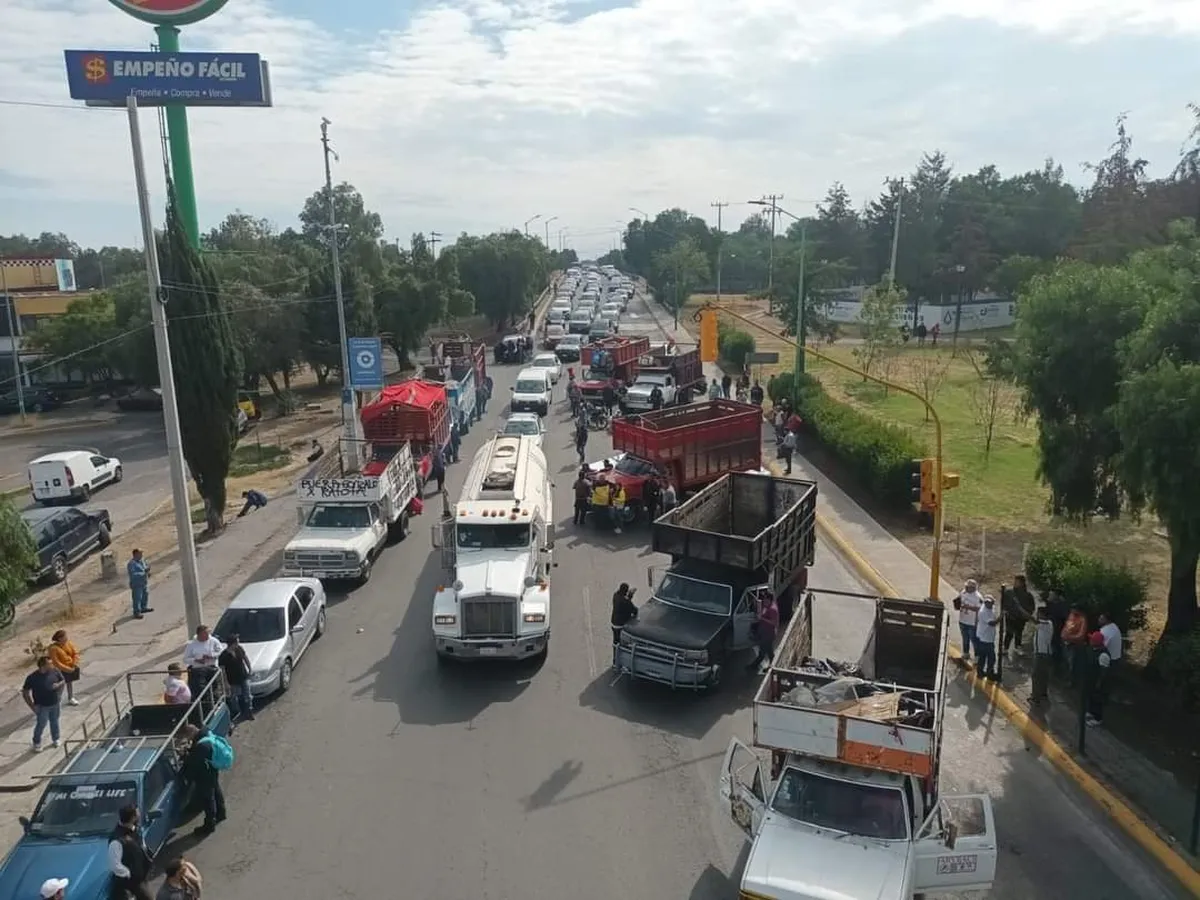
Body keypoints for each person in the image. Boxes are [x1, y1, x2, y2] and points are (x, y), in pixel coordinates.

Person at [179, 724, 227, 836]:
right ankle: (221, 813)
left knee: (208, 799)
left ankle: (210, 824)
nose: (189, 740)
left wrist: (185, 755)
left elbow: (193, 762)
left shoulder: (201, 746)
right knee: (216, 790)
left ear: (191, 733)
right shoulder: (206, 732)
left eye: (188, 737)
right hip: (212, 769)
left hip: (205, 774)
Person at [108, 805, 153, 900]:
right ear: (133, 818)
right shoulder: (117, 840)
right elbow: (115, 865)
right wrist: (129, 874)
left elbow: (141, 845)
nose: (140, 815)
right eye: (137, 814)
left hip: (141, 875)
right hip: (132, 882)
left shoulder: (135, 829)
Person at [22, 656, 64, 752]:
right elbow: (25, 692)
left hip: (54, 703)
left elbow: (62, 681)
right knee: (41, 724)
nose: (52, 665)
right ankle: (37, 742)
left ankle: (56, 738)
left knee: (55, 721)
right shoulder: (32, 678)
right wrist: (32, 706)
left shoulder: (55, 671)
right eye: (50, 663)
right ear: (43, 666)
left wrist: (59, 692)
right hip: (42, 706)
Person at [218, 635, 254, 726]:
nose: (238, 643)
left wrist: (250, 668)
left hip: (243, 676)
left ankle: (249, 711)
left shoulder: (239, 649)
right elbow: (222, 670)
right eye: (237, 642)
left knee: (248, 695)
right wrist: (226, 683)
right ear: (232, 643)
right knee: (236, 697)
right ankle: (238, 712)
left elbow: (245, 659)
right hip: (233, 680)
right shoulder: (223, 656)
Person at [182, 625, 225, 696]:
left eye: (208, 633)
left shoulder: (213, 641)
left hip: (212, 668)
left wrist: (212, 656)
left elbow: (220, 651)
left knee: (214, 688)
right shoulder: (191, 644)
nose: (208, 635)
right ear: (199, 634)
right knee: (200, 690)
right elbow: (185, 659)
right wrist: (196, 660)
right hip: (198, 670)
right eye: (205, 633)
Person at [1000, 574, 1036, 655]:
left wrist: (1026, 615)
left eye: (1017, 581)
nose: (1015, 583)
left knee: (1019, 632)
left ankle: (1017, 646)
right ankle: (1005, 647)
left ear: (1022, 583)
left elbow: (1031, 607)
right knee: (1009, 633)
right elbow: (1003, 603)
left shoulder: (1027, 595)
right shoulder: (1009, 593)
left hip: (1021, 618)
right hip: (1010, 617)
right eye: (1015, 581)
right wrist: (1006, 611)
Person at [747, 593, 780, 673]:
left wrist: (762, 618)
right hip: (764, 633)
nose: (764, 601)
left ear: (770, 600)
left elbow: (774, 623)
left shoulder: (772, 609)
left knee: (765, 652)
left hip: (768, 635)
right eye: (764, 599)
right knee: (767, 652)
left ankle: (755, 666)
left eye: (766, 600)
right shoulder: (766, 606)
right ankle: (772, 666)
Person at [1084, 631, 1112, 727]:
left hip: (1098, 682)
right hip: (1091, 679)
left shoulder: (1103, 655)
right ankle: (1091, 712)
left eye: (1092, 639)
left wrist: (1098, 683)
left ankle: (1098, 718)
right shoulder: (1093, 650)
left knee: (1098, 699)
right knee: (1091, 697)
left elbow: (1104, 672)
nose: (1090, 641)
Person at [48, 630, 81, 706]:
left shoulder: (68, 643)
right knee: (59, 686)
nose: (66, 638)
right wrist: (67, 669)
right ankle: (56, 701)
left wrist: (74, 663)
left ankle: (71, 697)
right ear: (59, 638)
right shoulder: (53, 648)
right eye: (64, 637)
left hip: (70, 666)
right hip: (60, 670)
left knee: (69, 682)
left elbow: (75, 653)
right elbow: (56, 662)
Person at [1030, 607, 1054, 706]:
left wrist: (1018, 607)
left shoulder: (1046, 624)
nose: (1037, 615)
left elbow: (1031, 619)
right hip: (1044, 652)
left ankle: (1035, 698)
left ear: (1044, 615)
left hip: (1041, 653)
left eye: (1039, 613)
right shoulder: (1048, 624)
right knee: (1044, 675)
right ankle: (1043, 693)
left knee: (1036, 675)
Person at [955, 579, 983, 663]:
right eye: (966, 586)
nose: (966, 588)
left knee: (974, 640)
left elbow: (979, 608)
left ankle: (977, 656)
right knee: (965, 638)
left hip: (972, 622)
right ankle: (966, 653)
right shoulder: (963, 592)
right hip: (963, 620)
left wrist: (968, 607)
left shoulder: (977, 597)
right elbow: (959, 599)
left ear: (973, 588)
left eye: (968, 587)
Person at [974, 595, 999, 680]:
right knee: (991, 657)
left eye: (990, 602)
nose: (989, 604)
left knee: (983, 657)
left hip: (988, 637)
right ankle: (989, 673)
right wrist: (1001, 617)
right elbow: (992, 623)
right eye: (987, 602)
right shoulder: (983, 612)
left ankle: (981, 672)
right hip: (984, 638)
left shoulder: (992, 608)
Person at [127, 549, 153, 619]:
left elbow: (145, 568)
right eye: (139, 554)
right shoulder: (131, 564)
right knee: (137, 598)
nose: (141, 555)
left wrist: (148, 572)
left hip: (143, 582)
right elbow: (133, 574)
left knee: (145, 595)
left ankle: (143, 608)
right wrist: (143, 573)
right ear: (135, 554)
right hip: (136, 584)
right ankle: (137, 612)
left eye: (141, 553)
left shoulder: (142, 561)